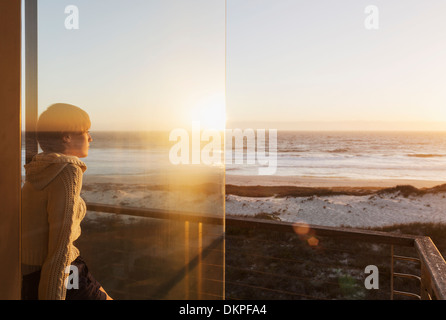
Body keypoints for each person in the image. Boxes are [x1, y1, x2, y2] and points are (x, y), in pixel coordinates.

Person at [21, 103, 112, 300]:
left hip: (33, 273)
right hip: (64, 273)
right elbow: (59, 247)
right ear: (66, 136)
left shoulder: (39, 169)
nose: (90, 138)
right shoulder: (68, 171)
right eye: (86, 131)